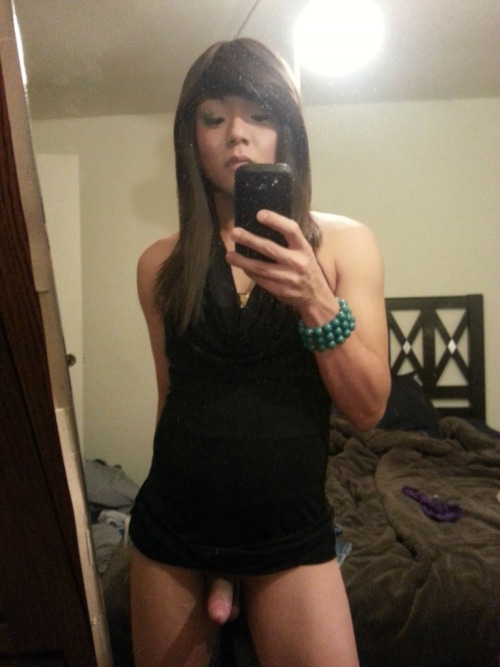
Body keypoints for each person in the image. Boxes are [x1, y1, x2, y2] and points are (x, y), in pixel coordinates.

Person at [129, 37, 391, 667]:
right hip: (174, 528)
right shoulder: (159, 263)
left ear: (287, 134)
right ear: (190, 138)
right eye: (214, 117)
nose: (236, 134)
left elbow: (368, 410)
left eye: (260, 115)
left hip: (289, 531)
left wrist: (314, 298)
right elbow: (171, 399)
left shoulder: (345, 245)